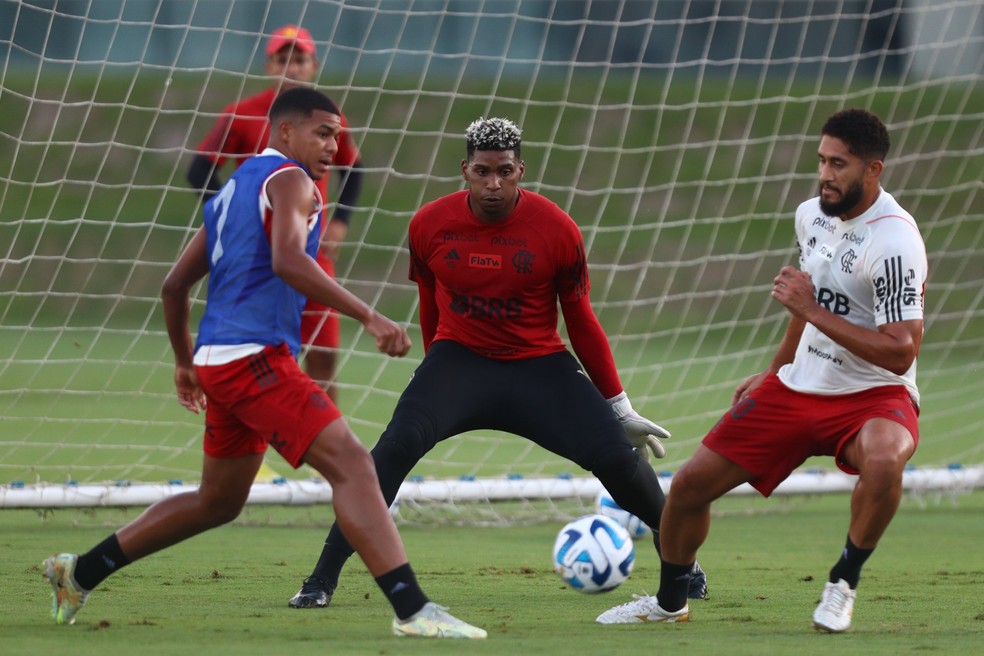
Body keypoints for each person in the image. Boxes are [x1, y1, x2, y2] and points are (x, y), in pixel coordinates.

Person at [42, 87, 486, 640]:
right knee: (353, 464)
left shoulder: (235, 189)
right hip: (254, 358)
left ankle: (78, 571)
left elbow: (174, 285)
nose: (333, 145)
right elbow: (288, 261)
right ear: (284, 132)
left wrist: (186, 364)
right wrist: (370, 315)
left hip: (217, 360)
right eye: (323, 133)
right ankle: (413, 609)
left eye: (338, 136)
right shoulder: (293, 182)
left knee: (218, 501)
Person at [286, 116, 708, 610]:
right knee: (393, 447)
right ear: (465, 170)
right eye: (483, 171)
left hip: (540, 366)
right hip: (459, 362)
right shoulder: (428, 224)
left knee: (617, 457)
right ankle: (320, 579)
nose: (493, 184)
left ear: (520, 170)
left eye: (504, 171)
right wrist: (434, 372)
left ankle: (682, 562)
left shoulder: (557, 230)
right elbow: (429, 306)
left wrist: (617, 404)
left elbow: (581, 320)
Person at [596, 108, 926, 633]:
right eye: (821, 160)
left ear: (873, 170)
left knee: (885, 460)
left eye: (838, 164)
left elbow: (900, 351)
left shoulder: (895, 242)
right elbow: (807, 308)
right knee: (686, 488)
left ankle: (842, 584)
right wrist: (774, 370)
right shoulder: (810, 215)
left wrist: (812, 309)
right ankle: (669, 600)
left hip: (874, 394)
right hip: (799, 387)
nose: (824, 174)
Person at [187, 24, 362, 400]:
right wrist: (234, 216)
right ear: (269, 65)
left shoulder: (330, 120)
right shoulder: (241, 113)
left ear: (313, 65)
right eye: (284, 59)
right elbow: (199, 169)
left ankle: (322, 443)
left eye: (299, 59)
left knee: (324, 354)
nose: (292, 67)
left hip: (310, 252)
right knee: (258, 356)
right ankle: (256, 437)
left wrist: (341, 221)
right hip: (255, 258)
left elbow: (354, 168)